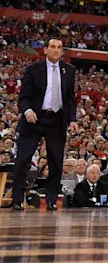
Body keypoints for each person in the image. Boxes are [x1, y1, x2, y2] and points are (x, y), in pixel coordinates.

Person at [11, 39, 79, 211]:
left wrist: (72, 119)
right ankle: (17, 199)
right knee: (23, 160)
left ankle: (51, 200)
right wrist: (27, 111)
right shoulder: (33, 70)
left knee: (56, 162)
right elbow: (23, 98)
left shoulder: (69, 71)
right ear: (46, 50)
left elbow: (70, 98)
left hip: (57, 121)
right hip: (34, 119)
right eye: (53, 47)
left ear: (62, 52)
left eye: (59, 48)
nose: (56, 50)